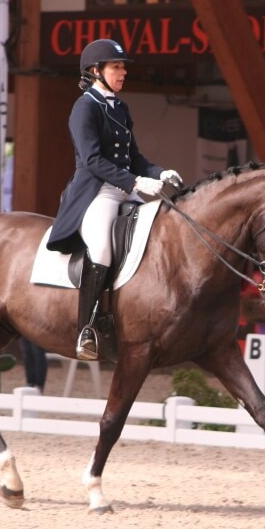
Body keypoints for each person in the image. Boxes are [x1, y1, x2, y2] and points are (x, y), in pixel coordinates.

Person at [45, 39, 182, 360]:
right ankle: (87, 329)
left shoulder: (119, 107)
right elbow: (93, 159)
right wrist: (135, 181)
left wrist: (160, 172)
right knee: (102, 248)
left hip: (126, 188)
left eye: (122, 67)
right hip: (97, 191)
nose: (122, 73)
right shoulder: (85, 107)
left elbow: (134, 156)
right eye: (116, 67)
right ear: (96, 71)